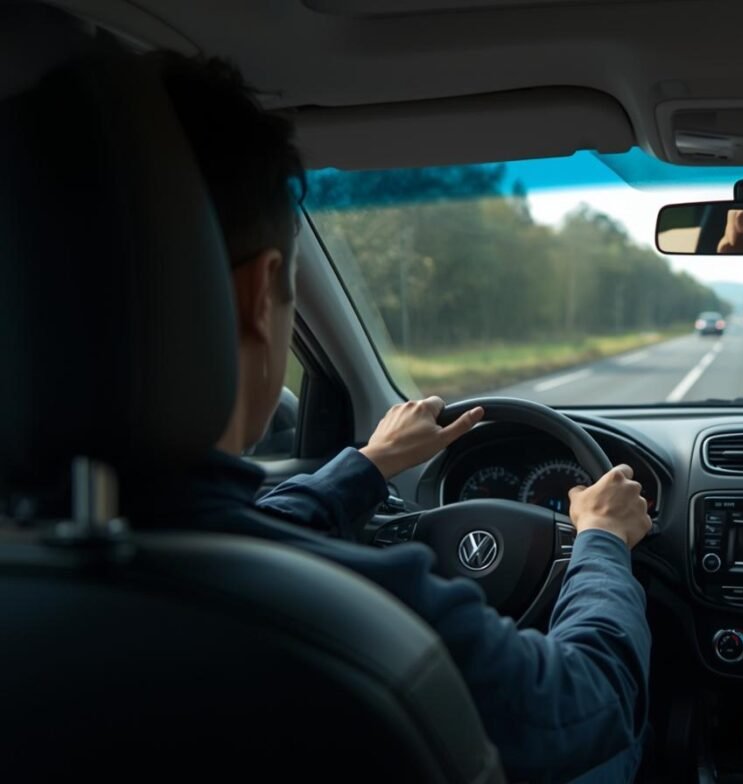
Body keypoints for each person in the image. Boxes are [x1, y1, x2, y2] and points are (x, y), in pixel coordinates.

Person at [127, 52, 654, 784]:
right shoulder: (357, 613)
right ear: (258, 297)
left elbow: (244, 526)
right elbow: (590, 704)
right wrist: (601, 542)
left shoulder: (72, 545)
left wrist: (370, 464)